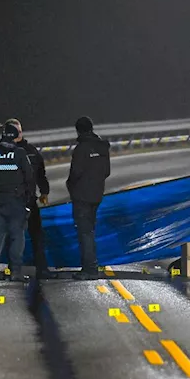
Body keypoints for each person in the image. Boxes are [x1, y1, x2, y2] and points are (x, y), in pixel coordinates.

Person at [0, 122, 35, 281]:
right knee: (17, 237)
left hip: (0, 201)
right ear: (15, 137)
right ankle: (15, 272)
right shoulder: (19, 153)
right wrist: (29, 202)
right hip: (16, 202)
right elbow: (29, 179)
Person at [4, 118, 51, 281]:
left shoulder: (30, 151)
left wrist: (44, 191)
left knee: (36, 235)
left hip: (27, 200)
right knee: (14, 236)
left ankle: (41, 268)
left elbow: (40, 173)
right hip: (14, 201)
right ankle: (14, 268)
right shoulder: (7, 151)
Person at [66, 116, 110, 278]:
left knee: (85, 233)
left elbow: (75, 173)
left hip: (82, 196)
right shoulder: (102, 147)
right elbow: (107, 171)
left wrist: (71, 186)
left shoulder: (81, 149)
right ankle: (92, 266)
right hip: (97, 195)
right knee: (90, 231)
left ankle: (89, 269)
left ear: (78, 130)